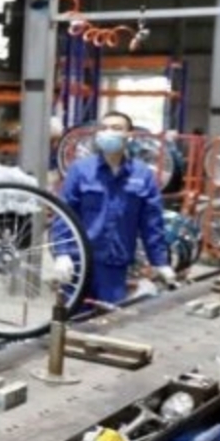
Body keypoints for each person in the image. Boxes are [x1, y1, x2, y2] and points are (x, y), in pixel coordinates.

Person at [51, 110, 174, 306]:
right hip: (78, 261)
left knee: (108, 321)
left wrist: (160, 262)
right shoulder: (80, 170)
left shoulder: (143, 175)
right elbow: (64, 215)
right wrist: (61, 253)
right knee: (72, 324)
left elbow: (152, 223)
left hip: (114, 265)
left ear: (130, 135)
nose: (108, 132)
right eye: (104, 128)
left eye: (116, 128)